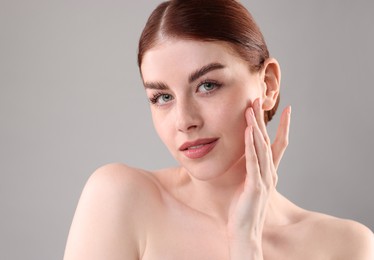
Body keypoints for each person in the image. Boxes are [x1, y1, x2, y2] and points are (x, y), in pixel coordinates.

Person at [63, 1, 374, 259]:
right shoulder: (121, 199)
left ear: (268, 85)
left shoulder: (345, 247)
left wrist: (246, 243)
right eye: (162, 97)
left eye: (207, 85)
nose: (184, 120)